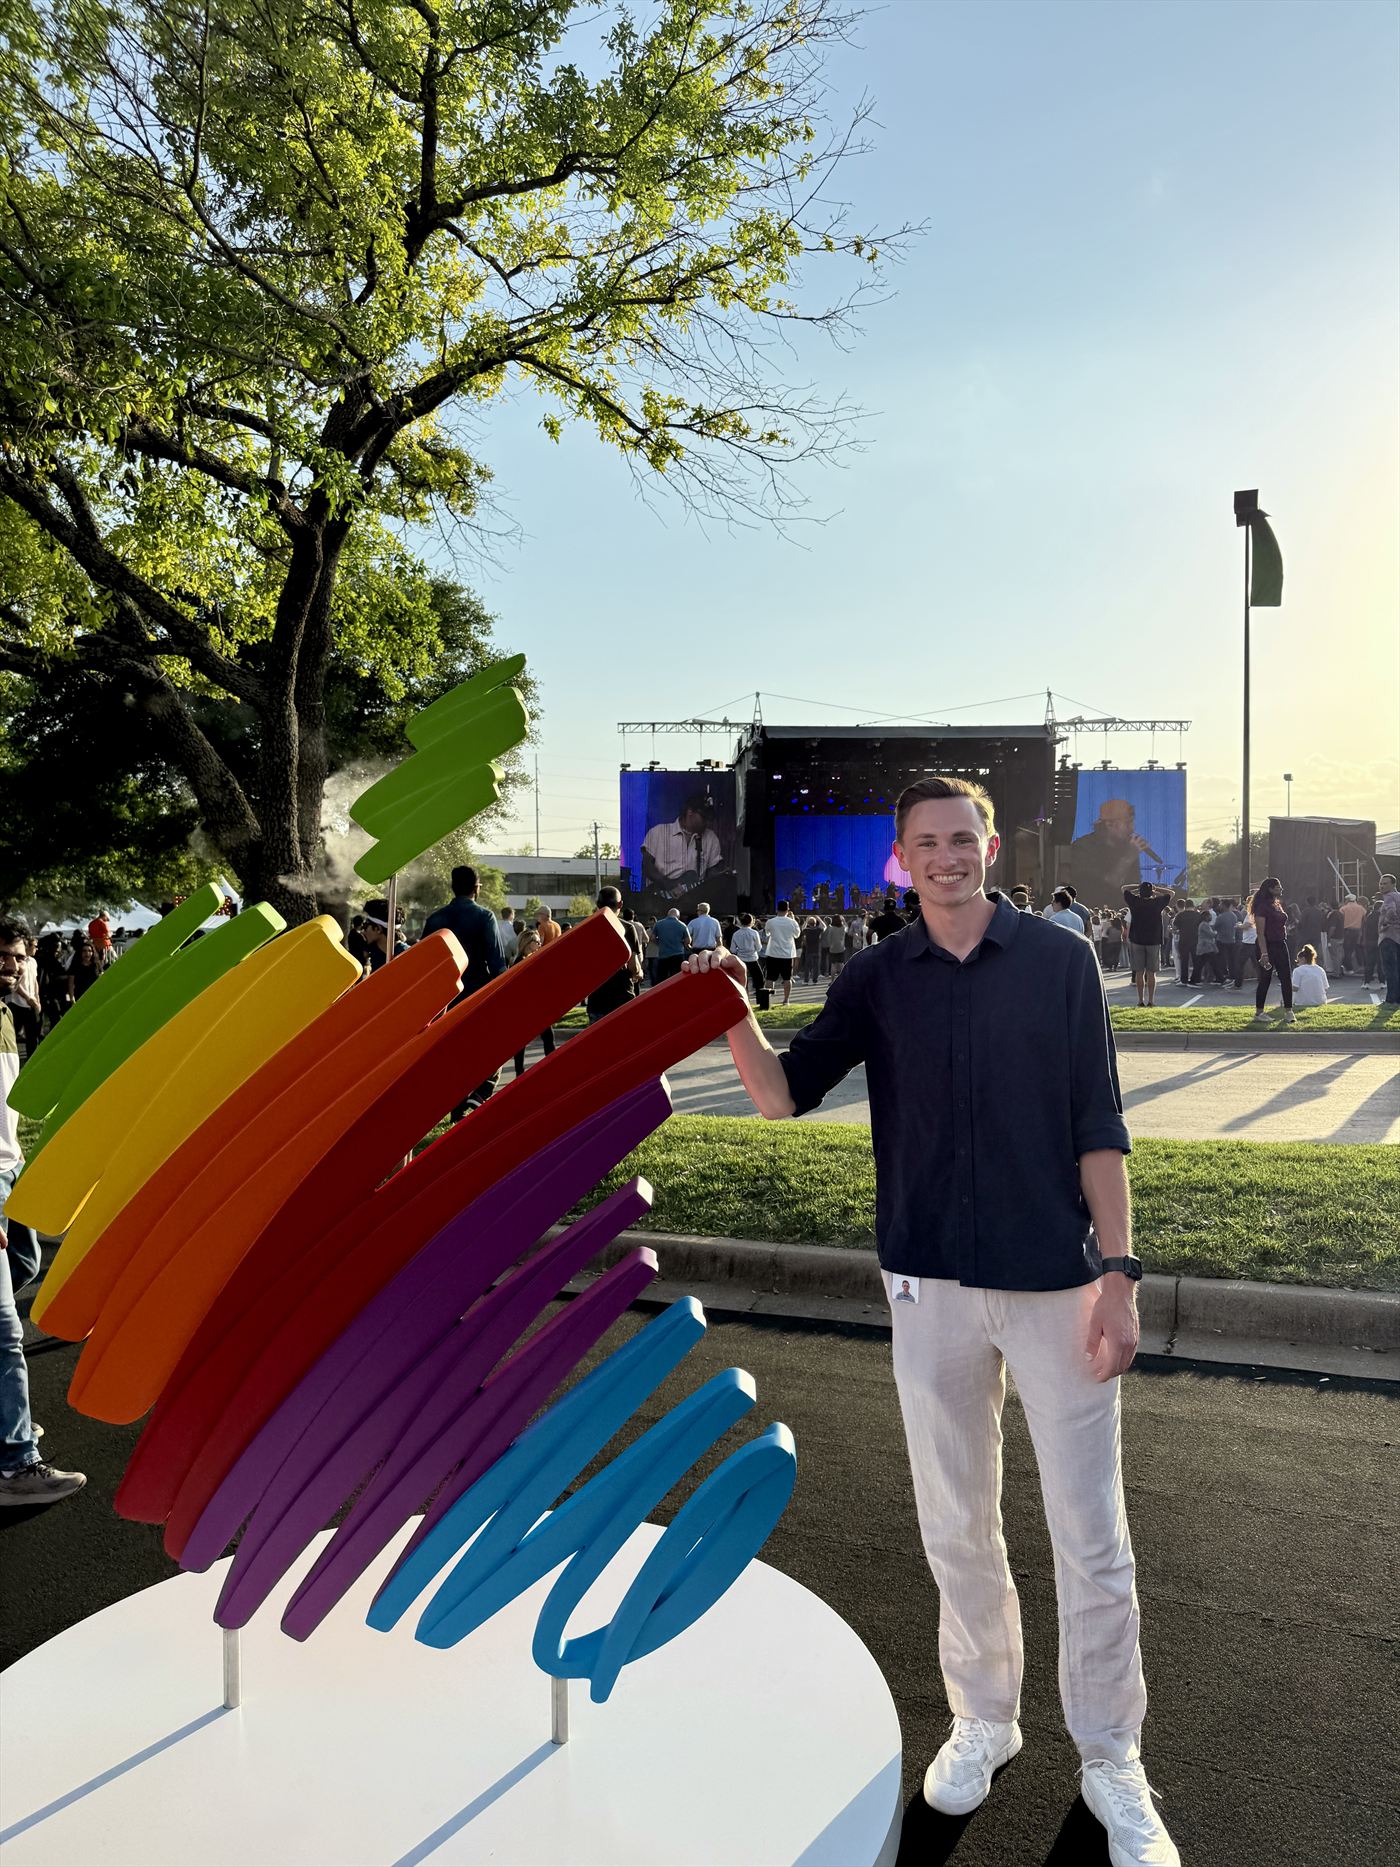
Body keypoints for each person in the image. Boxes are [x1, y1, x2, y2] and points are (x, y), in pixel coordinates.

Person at [682, 776, 1177, 1867]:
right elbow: (778, 1095)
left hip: (1054, 1282)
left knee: (1089, 1535)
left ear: (989, 845)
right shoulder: (873, 975)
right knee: (955, 1522)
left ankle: (1109, 1756)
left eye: (963, 837)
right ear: (900, 861)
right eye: (926, 844)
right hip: (927, 1287)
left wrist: (1119, 1272)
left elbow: (1097, 1123)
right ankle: (984, 1720)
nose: (946, 856)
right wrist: (728, 1010)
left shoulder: (1059, 962)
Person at [1, 918, 86, 1506]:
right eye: (4, 957)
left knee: (26, 1265)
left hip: (9, 1168)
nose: (13, 965)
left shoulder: (6, 1010)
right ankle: (15, 1466)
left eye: (18, 955)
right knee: (5, 1333)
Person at [422, 866, 509, 1115]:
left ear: (453, 887)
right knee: (488, 1049)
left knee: (453, 1055)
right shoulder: (485, 917)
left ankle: (456, 1106)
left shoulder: (435, 920)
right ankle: (480, 1093)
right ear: (476, 888)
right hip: (477, 995)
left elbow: (426, 964)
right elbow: (496, 963)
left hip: (445, 999)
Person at [1067, 797, 1167, 905]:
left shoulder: (1127, 847)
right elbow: (1100, 889)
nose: (1132, 828)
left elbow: (1134, 886)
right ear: (1110, 824)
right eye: (1128, 823)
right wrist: (1128, 857)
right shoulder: (1083, 847)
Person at [641, 793, 724, 902]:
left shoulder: (711, 838)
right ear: (690, 812)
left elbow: (712, 870)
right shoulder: (658, 832)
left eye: (708, 818)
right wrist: (668, 884)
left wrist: (720, 875)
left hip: (693, 901)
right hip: (658, 898)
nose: (706, 822)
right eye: (703, 817)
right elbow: (647, 866)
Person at [585, 888, 645, 1023]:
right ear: (620, 905)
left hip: (597, 999)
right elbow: (633, 966)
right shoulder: (628, 928)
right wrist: (639, 972)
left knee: (600, 1043)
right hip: (622, 996)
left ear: (597, 904)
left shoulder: (588, 928)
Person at [508, 919, 557, 1077]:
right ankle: (519, 1073)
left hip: (536, 1006)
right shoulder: (520, 962)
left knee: (547, 1037)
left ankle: (551, 1066)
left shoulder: (531, 959)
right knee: (521, 1042)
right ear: (528, 943)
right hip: (526, 1007)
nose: (539, 944)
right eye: (536, 941)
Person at [1250, 878, 1296, 1025]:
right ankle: (1259, 1012)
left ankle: (1289, 1011)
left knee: (1286, 978)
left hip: (1280, 944)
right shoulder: (1262, 907)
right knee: (1265, 978)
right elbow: (1260, 932)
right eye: (1278, 887)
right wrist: (1264, 953)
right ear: (1270, 889)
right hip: (1267, 946)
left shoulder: (1276, 904)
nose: (1281, 889)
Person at [1121, 883, 1171, 1008]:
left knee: (1139, 972)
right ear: (1151, 893)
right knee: (1151, 972)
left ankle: (1140, 1000)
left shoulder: (1134, 902)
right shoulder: (1157, 903)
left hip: (1137, 939)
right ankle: (1151, 1000)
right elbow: (1171, 893)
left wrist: (1138, 886)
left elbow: (1124, 888)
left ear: (1140, 892)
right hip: (1153, 940)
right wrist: (1156, 889)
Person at [762, 899, 801, 1006]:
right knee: (787, 978)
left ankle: (767, 1001)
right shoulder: (792, 922)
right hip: (787, 954)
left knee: (769, 978)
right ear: (788, 910)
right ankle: (786, 1000)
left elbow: (767, 933)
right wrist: (792, 919)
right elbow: (797, 935)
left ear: (776, 909)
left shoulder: (771, 922)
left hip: (773, 952)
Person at [359, 900, 408, 972]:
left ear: (378, 929)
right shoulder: (375, 953)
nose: (362, 931)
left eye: (365, 925)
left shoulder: (406, 956)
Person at [729, 912, 765, 1001]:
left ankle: (744, 998)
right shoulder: (754, 933)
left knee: (742, 980)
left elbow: (732, 950)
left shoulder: (736, 934)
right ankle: (760, 999)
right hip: (753, 958)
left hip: (741, 958)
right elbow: (759, 948)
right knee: (759, 979)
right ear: (751, 922)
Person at [652, 907, 691, 983]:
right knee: (677, 978)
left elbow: (652, 938)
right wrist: (683, 944)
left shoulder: (658, 924)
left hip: (663, 955)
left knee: (661, 979)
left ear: (668, 914)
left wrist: (659, 943)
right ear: (678, 916)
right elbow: (688, 940)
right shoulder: (682, 925)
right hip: (678, 955)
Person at [1378, 875, 1400, 1004]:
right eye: (1381, 883)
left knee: (1390, 970)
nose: (1382, 886)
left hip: (1388, 937)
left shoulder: (1389, 897)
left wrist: (1386, 922)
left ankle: (1391, 999)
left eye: (1385, 883)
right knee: (1397, 969)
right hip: (1398, 938)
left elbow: (1391, 911)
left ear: (1393, 884)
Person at [1171, 899, 1201, 987]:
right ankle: (1196, 979)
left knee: (1184, 960)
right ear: (1193, 906)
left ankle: (1184, 980)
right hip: (1195, 940)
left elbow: (1175, 926)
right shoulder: (1198, 915)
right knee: (1196, 960)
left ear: (1185, 906)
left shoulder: (1181, 915)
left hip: (1183, 939)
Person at [66, 933, 103, 1000]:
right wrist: (72, 998)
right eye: (84, 951)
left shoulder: (96, 964)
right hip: (80, 996)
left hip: (95, 995)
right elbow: (71, 983)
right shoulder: (75, 965)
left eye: (90, 951)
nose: (87, 953)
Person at [1290, 944, 1329, 1009]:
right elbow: (1325, 988)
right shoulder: (1320, 969)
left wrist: (1285, 985)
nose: (1297, 963)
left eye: (1298, 961)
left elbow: (1295, 988)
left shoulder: (1298, 971)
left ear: (1303, 959)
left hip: (1302, 1003)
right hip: (1321, 1002)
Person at [1213, 899, 1241, 987]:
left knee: (1220, 960)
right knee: (1231, 959)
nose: (1220, 906)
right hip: (1232, 940)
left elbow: (1215, 927)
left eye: (1221, 904)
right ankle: (1232, 976)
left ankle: (1222, 976)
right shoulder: (1234, 916)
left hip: (1221, 940)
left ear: (1225, 906)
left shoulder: (1221, 917)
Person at [1340, 895, 1365, 977]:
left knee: (1347, 950)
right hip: (1358, 930)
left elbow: (1341, 918)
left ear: (1347, 900)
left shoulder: (1343, 908)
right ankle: (1361, 966)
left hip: (1347, 930)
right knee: (1357, 948)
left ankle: (1349, 968)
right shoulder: (1361, 908)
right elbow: (1364, 918)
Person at [799, 915, 826, 984]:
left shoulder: (807, 930)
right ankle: (815, 980)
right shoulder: (818, 930)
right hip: (817, 950)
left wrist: (806, 920)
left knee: (807, 966)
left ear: (808, 924)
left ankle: (806, 980)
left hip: (809, 950)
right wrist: (819, 919)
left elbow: (802, 928)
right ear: (815, 923)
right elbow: (824, 927)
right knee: (816, 966)